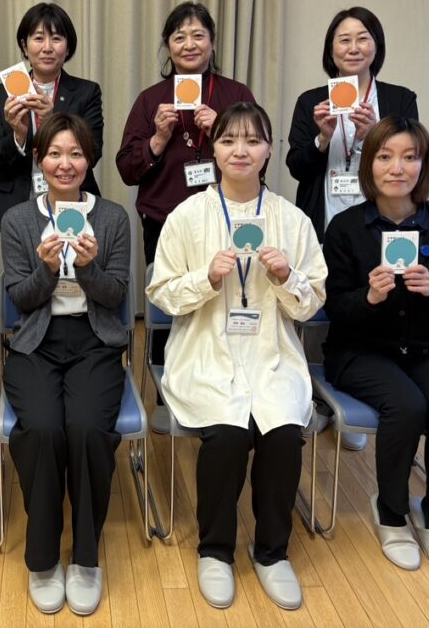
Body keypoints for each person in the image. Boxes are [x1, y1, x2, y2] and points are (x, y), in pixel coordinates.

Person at [147, 103, 325, 611]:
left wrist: (287, 277)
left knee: (283, 433)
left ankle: (272, 552)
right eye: (228, 140)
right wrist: (206, 278)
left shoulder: (292, 220)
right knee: (226, 435)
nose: (240, 151)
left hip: (271, 353)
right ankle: (215, 550)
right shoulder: (187, 216)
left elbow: (312, 302)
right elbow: (161, 293)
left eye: (253, 141)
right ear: (214, 149)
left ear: (269, 150)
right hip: (206, 351)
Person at [322, 116, 429, 575]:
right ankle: (390, 512)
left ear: (423, 165)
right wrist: (369, 297)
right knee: (406, 407)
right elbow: (334, 306)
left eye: (410, 157)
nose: (397, 168)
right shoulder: (345, 227)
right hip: (363, 349)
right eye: (385, 156)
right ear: (369, 164)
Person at [0, 113, 130, 616]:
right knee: (42, 430)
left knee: (87, 429)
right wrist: (47, 268)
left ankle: (86, 558)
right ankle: (42, 558)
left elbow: (115, 296)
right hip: (36, 341)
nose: (65, 163)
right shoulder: (18, 220)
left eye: (76, 153)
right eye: (54, 153)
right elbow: (21, 298)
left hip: (94, 341)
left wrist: (90, 268)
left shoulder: (112, 218)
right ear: (39, 160)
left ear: (89, 160)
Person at [116, 0, 255, 431]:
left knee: (226, 299)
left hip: (228, 218)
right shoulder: (151, 100)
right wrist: (158, 139)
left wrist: (222, 131)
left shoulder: (235, 96)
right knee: (169, 302)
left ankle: (230, 384)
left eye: (198, 35)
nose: (189, 44)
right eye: (179, 37)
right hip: (165, 219)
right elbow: (126, 168)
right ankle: (166, 392)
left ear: (212, 43)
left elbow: (260, 158)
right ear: (167, 46)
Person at [286, 6, 418, 242]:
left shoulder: (401, 99)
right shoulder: (310, 101)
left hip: (382, 221)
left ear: (377, 46)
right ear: (331, 50)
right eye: (345, 40)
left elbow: (412, 162)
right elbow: (296, 168)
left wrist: (375, 136)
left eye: (363, 39)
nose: (354, 48)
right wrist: (322, 139)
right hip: (323, 222)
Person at [0, 2, 104, 231]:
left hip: (71, 198)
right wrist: (18, 136)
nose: (47, 47)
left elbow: (94, 153)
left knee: (71, 253)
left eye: (56, 38)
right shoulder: (2, 93)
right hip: (18, 202)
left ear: (67, 47)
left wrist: (52, 120)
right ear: (25, 46)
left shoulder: (86, 92)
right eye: (38, 38)